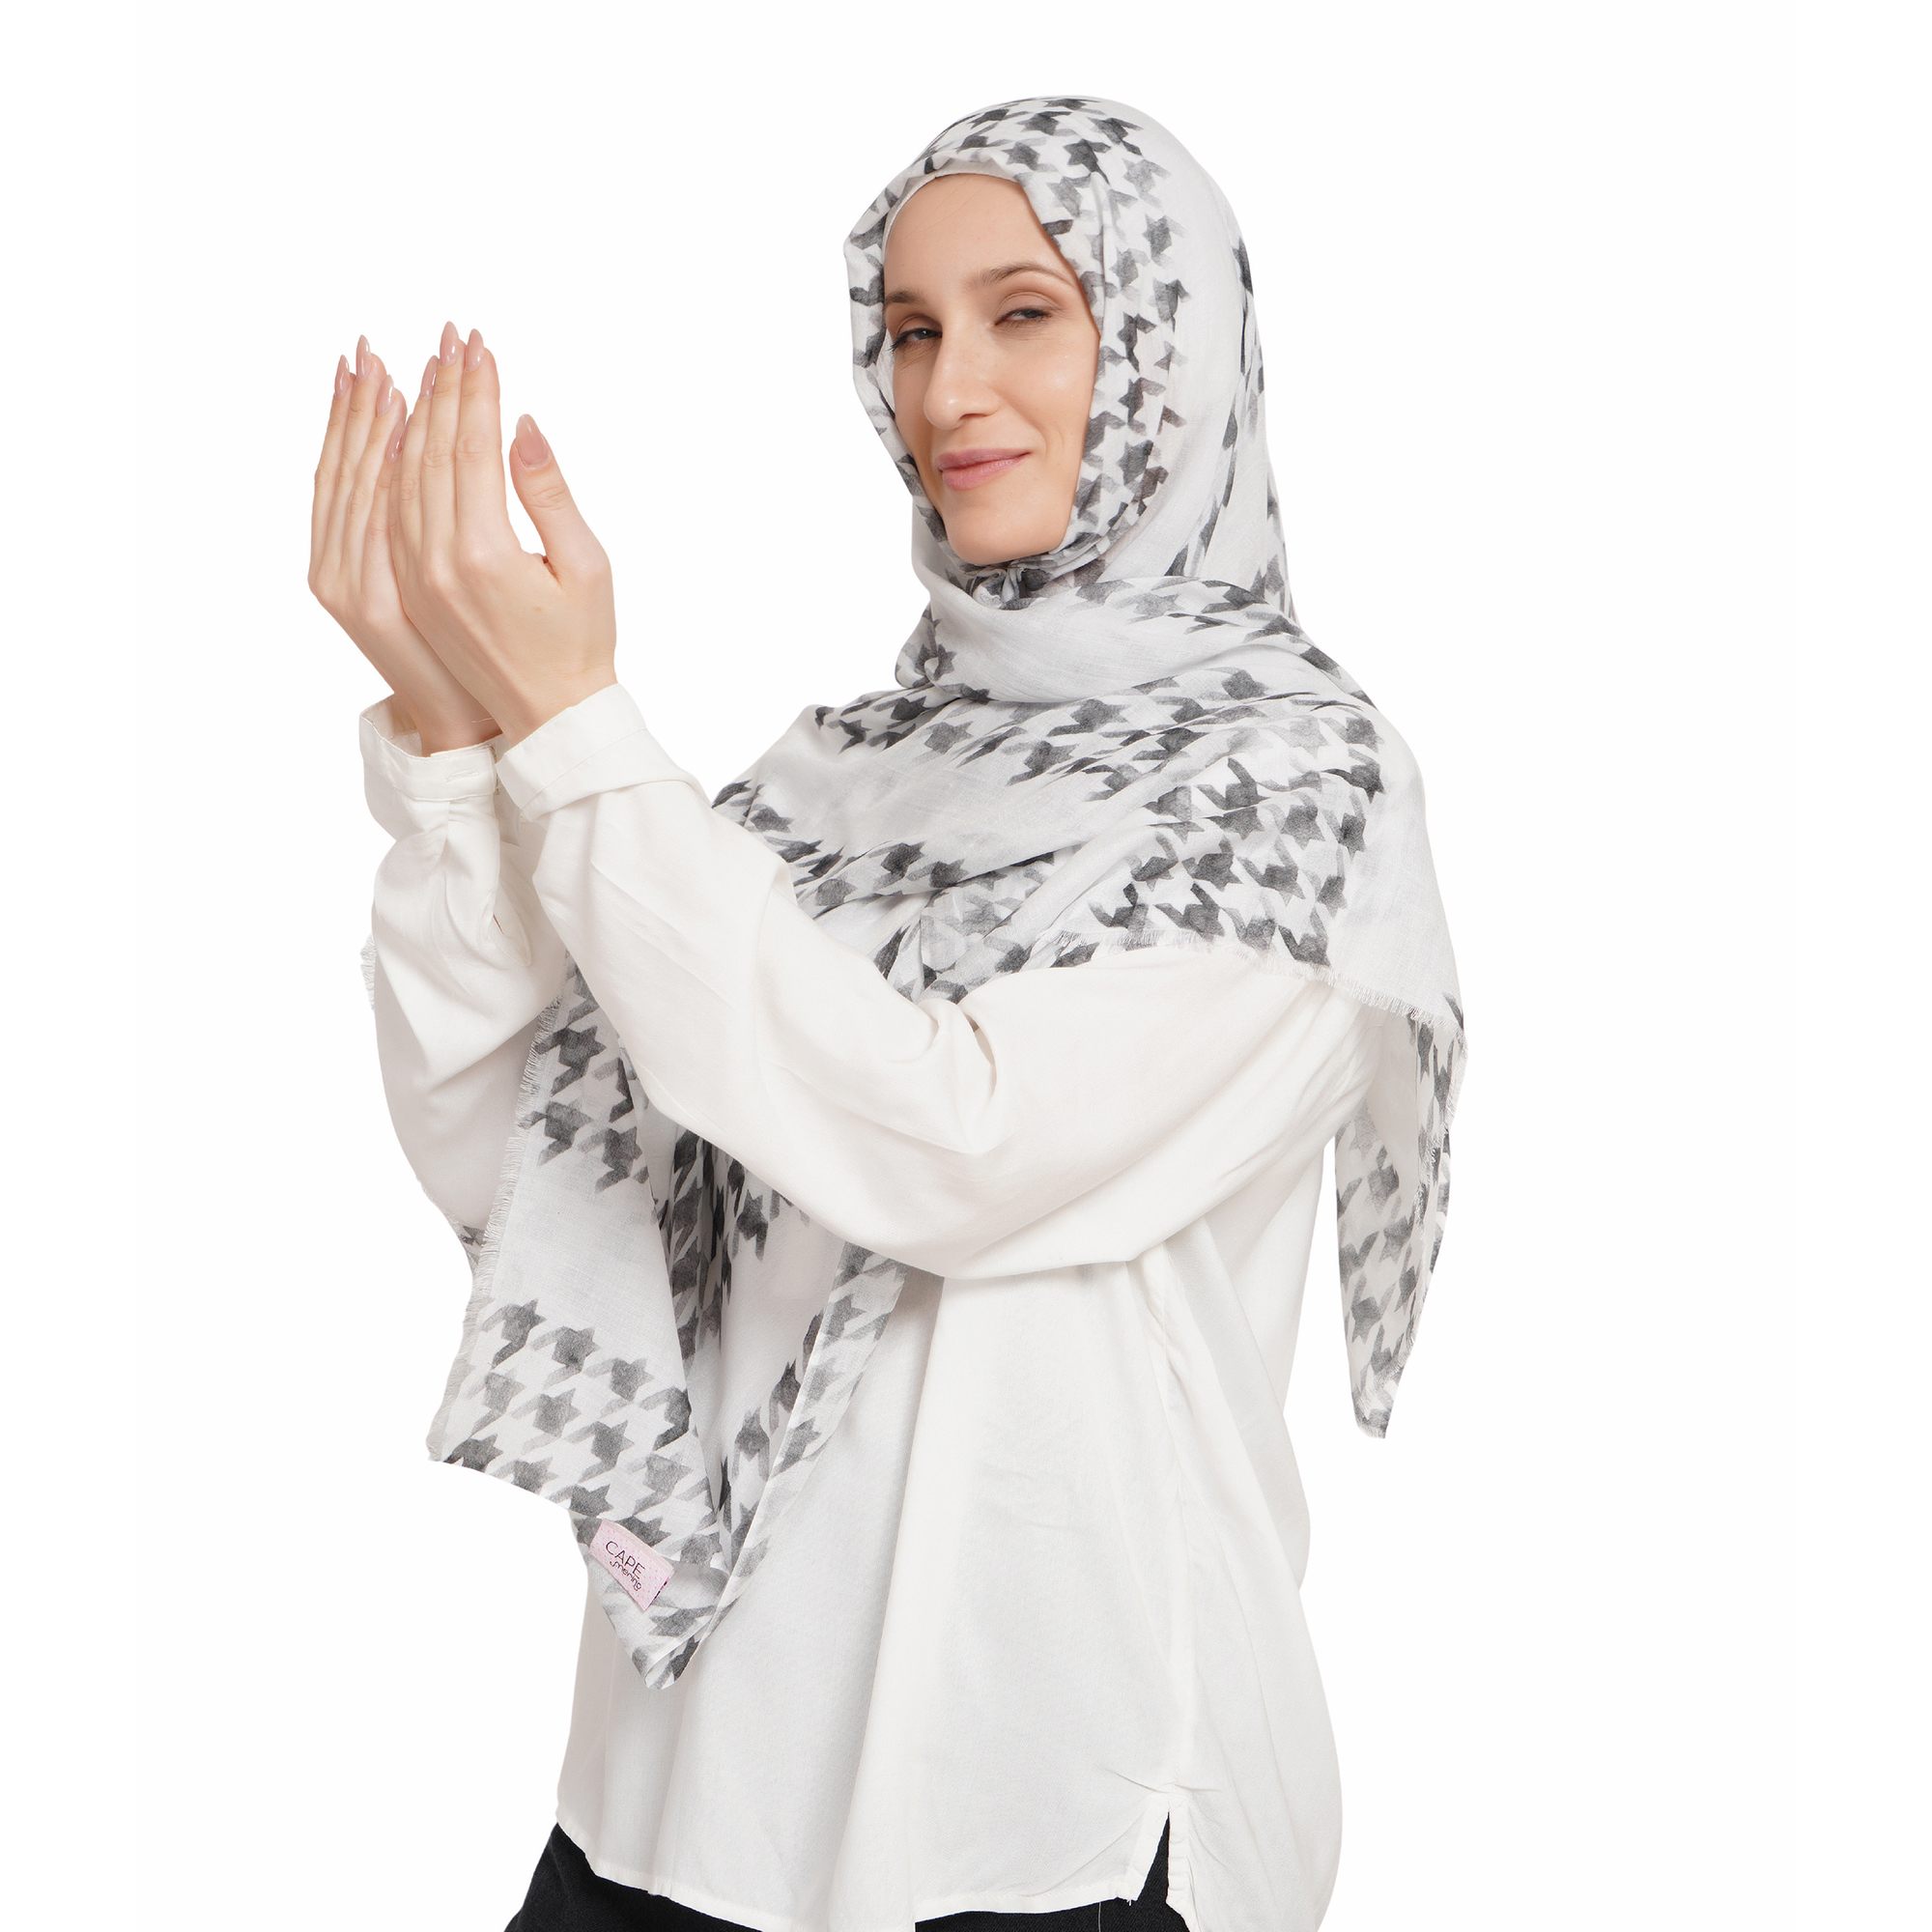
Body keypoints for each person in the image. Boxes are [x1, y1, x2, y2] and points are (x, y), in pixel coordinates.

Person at [308, 97, 1463, 1932]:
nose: (946, 391)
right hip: (678, 1799)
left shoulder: (1296, 794)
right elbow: (544, 1170)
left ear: (1169, 347)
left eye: (1026, 313)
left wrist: (576, 738)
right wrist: (459, 755)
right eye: (911, 331)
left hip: (1038, 1820)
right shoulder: (842, 777)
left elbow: (949, 1145)